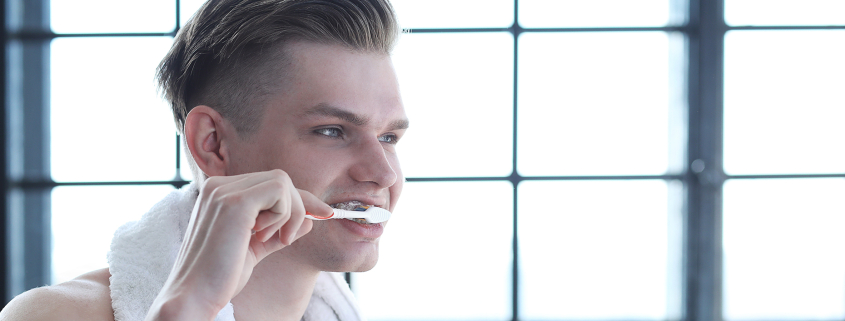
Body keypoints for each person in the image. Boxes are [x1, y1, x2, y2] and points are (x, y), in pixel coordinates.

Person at [0, 0, 406, 320]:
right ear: (213, 144)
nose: (384, 173)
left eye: (389, 137)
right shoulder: (57, 316)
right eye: (332, 131)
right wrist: (185, 310)